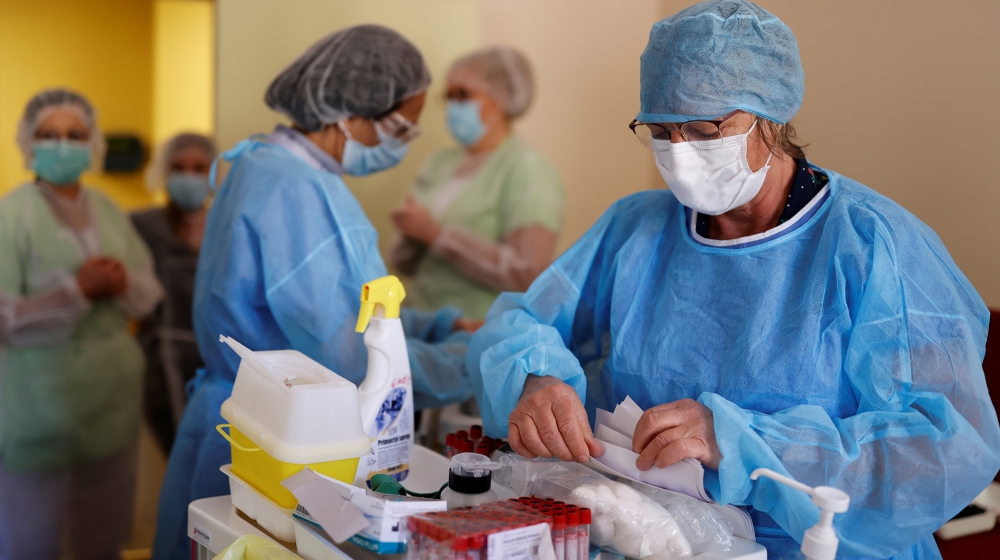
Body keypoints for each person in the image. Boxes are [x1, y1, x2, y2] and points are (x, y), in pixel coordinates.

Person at [465, 2, 1000, 559]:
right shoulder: (634, 229)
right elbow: (519, 320)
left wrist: (748, 443)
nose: (680, 152)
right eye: (661, 131)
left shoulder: (873, 245)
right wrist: (535, 377)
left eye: (703, 129)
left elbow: (942, 447)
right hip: (649, 535)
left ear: (770, 116)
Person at [153, 25, 476, 560]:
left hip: (241, 416)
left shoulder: (259, 163)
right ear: (348, 109)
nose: (401, 142)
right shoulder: (301, 194)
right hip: (271, 439)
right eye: (400, 127)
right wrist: (472, 361)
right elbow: (352, 361)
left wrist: (439, 325)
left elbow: (349, 310)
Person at [0, 88, 164, 560]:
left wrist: (121, 281)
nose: (63, 145)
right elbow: (4, 317)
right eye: (49, 135)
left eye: (75, 135)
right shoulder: (12, 216)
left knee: (102, 535)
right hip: (36, 405)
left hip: (109, 402)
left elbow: (149, 292)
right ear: (29, 144)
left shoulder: (109, 211)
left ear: (93, 144)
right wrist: (76, 292)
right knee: (28, 538)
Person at [390, 47, 565, 320]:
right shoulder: (439, 163)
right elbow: (405, 264)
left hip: (479, 333)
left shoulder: (527, 169)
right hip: (419, 319)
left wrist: (436, 235)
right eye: (448, 97)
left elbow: (528, 274)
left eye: (463, 95)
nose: (452, 106)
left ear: (502, 98)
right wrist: (411, 237)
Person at [132, 133, 216, 455]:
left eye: (199, 167)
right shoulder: (143, 226)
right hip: (160, 362)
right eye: (179, 167)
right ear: (164, 173)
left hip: (220, 359)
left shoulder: (229, 224)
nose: (189, 175)